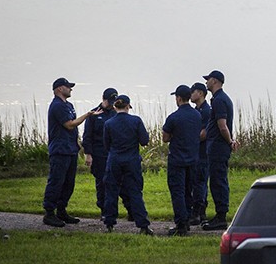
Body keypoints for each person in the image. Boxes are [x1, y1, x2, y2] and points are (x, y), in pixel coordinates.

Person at [43, 77, 102, 228]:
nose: (70, 89)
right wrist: (88, 114)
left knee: (69, 183)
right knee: (56, 181)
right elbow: (69, 125)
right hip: (60, 149)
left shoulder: (68, 105)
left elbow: (73, 128)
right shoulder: (57, 106)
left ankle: (61, 210)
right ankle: (49, 212)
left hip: (70, 149)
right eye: (67, 86)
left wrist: (78, 144)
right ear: (59, 89)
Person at [102, 94, 153, 235]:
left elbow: (106, 145)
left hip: (114, 160)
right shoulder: (136, 121)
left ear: (114, 107)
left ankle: (109, 223)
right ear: (127, 106)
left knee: (111, 192)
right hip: (131, 160)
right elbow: (144, 140)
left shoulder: (109, 123)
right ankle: (143, 225)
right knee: (135, 192)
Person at [82, 87, 131, 219]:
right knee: (102, 183)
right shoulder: (94, 114)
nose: (111, 104)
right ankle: (104, 210)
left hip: (115, 153)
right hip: (99, 154)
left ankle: (130, 209)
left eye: (114, 101)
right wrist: (88, 154)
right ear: (103, 99)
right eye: (109, 101)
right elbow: (87, 136)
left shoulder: (116, 113)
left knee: (123, 182)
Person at [162, 84, 202, 236]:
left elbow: (165, 138)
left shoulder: (173, 117)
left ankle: (181, 225)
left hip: (177, 160)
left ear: (178, 98)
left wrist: (174, 136)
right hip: (193, 159)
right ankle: (187, 220)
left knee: (177, 192)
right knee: (188, 192)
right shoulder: (197, 115)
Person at [202, 70, 239, 230]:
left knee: (218, 181)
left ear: (215, 81)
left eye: (208, 79)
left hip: (218, 146)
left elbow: (222, 125)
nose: (206, 82)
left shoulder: (219, 100)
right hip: (217, 145)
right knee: (218, 180)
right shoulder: (221, 99)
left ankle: (221, 216)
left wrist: (230, 141)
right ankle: (219, 214)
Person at [188, 81, 212, 226]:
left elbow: (204, 134)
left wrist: (188, 139)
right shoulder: (196, 110)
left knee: (200, 183)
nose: (191, 94)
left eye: (193, 91)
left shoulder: (206, 111)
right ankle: (199, 212)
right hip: (195, 153)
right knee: (196, 183)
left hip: (202, 153)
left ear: (201, 93)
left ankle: (198, 212)